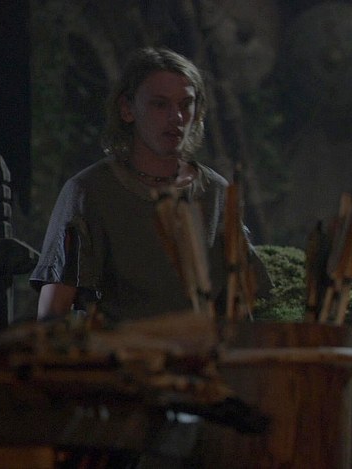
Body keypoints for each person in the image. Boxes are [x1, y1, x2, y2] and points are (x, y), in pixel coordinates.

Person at [30, 46, 270, 324]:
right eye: (160, 104)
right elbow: (52, 313)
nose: (176, 117)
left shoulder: (214, 192)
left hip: (201, 348)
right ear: (127, 109)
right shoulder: (90, 191)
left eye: (186, 104)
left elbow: (240, 305)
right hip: (121, 349)